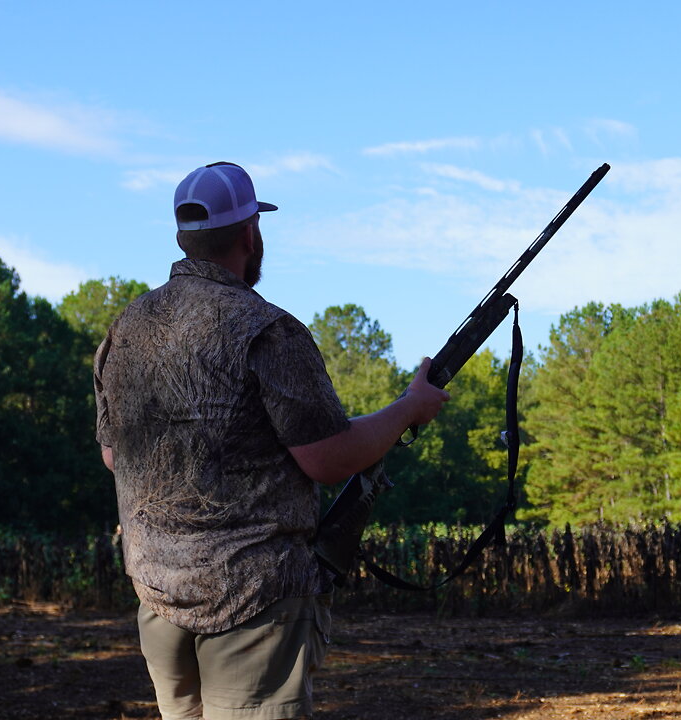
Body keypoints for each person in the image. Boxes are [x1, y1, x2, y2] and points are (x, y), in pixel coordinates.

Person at [93, 161, 450, 720]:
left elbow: (116, 456)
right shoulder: (267, 329)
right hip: (253, 603)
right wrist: (409, 409)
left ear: (184, 239)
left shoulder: (126, 329)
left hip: (157, 598)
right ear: (249, 234)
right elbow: (329, 459)